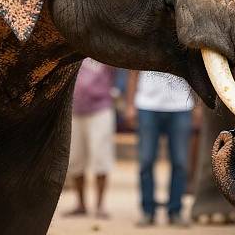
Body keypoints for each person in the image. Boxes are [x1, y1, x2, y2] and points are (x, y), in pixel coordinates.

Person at [126, 70, 194, 227]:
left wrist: (196, 106)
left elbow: (194, 71)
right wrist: (130, 104)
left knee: (180, 163)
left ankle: (175, 211)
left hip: (181, 106)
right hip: (147, 105)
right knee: (146, 161)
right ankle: (147, 211)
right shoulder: (144, 43)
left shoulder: (186, 44)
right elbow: (133, 71)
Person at [66, 58, 115, 218]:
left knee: (101, 157)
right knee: (75, 159)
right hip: (74, 109)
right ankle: (81, 204)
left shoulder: (103, 49)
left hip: (100, 108)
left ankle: (100, 205)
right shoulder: (71, 49)